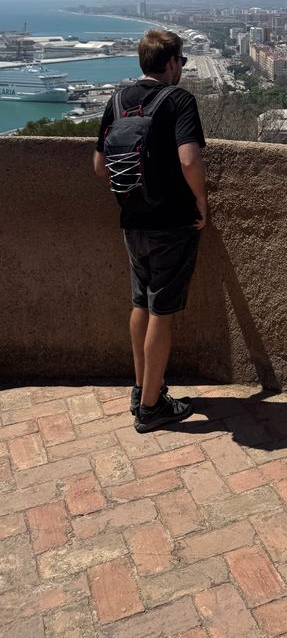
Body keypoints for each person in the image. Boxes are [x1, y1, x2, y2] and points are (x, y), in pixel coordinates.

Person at [93, 28, 207, 433]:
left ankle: (142, 386)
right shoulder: (179, 100)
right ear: (173, 62)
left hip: (132, 221)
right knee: (162, 311)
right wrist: (200, 202)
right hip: (171, 223)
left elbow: (99, 166)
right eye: (183, 62)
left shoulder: (117, 100)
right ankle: (152, 405)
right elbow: (190, 160)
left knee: (140, 303)